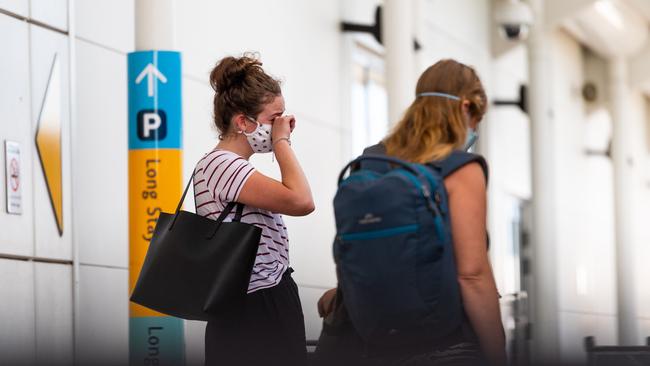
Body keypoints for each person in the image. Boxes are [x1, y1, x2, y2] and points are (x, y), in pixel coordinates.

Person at [315, 59, 506, 366]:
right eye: (477, 120)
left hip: (370, 342)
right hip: (446, 345)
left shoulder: (370, 161)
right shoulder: (460, 167)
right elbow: (471, 275)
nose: (474, 130)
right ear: (466, 107)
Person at [194, 53, 314, 366]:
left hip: (258, 300)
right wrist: (282, 142)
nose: (282, 124)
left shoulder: (229, 167)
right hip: (256, 304)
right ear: (243, 122)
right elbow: (302, 201)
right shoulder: (221, 165)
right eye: (274, 117)